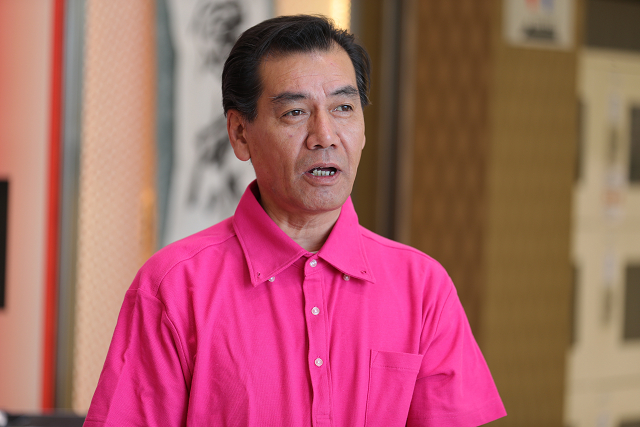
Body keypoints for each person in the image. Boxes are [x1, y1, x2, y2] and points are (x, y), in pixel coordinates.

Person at [84, 15, 506, 427]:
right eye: (295, 112)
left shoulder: (423, 287)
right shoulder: (173, 287)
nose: (325, 135)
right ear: (240, 134)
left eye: (343, 107)